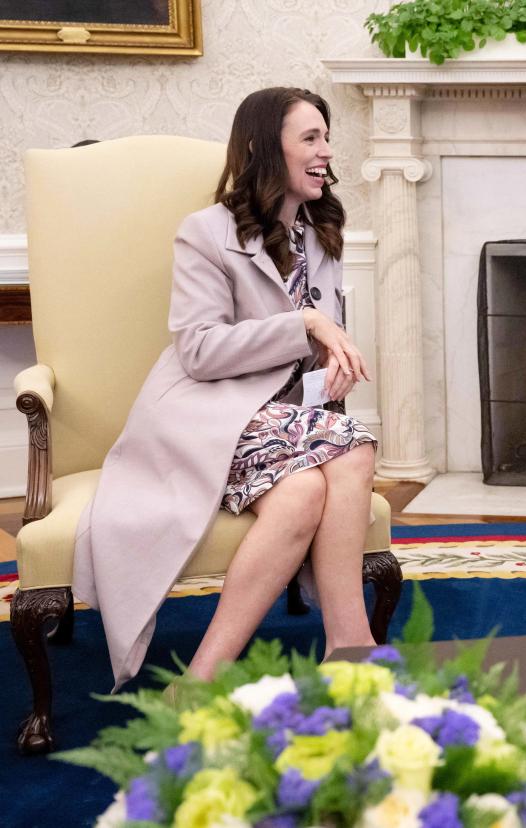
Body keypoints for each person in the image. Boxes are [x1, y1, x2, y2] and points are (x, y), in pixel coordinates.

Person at [73, 87, 380, 689]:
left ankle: (203, 682)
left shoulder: (320, 230)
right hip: (208, 414)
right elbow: (199, 350)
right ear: (268, 150)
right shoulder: (205, 233)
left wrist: (328, 366)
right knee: (356, 445)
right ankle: (354, 644)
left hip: (286, 421)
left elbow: (304, 351)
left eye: (326, 137)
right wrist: (306, 326)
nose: (326, 152)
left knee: (300, 495)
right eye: (310, 139)